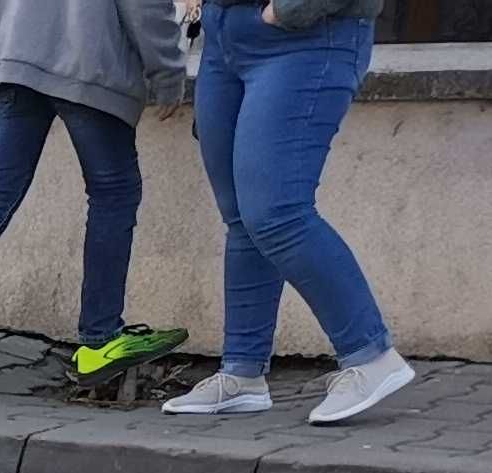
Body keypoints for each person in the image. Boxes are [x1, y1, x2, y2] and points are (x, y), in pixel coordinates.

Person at [0, 0, 188, 389]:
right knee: (114, 194)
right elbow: (145, 7)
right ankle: (100, 340)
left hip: (11, 58)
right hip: (85, 61)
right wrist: (168, 72)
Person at [164, 0, 412, 425]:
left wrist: (290, 9)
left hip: (307, 37)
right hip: (225, 40)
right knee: (242, 218)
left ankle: (372, 356)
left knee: (278, 214)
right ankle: (242, 373)